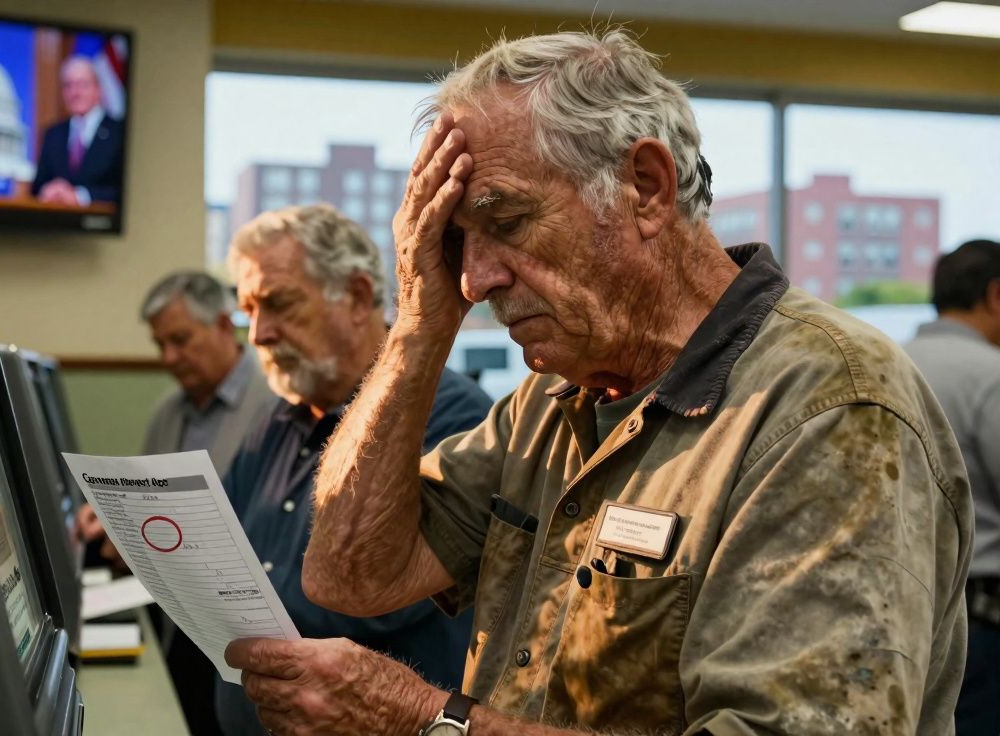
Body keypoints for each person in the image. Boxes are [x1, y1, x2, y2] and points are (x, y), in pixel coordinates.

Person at [225, 31, 974, 736]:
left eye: (506, 221)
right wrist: (419, 320)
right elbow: (348, 576)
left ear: (645, 187)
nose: (476, 281)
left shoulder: (829, 405)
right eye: (458, 244)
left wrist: (429, 721)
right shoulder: (551, 401)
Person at [215, 204, 493, 735]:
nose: (258, 334)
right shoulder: (279, 414)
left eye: (277, 304)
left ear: (359, 297)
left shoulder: (451, 413)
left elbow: (372, 603)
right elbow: (221, 543)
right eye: (248, 309)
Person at [74, 270, 275, 736]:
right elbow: (152, 513)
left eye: (181, 340)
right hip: (179, 628)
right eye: (160, 344)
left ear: (225, 326)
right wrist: (113, 522)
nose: (169, 357)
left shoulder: (275, 405)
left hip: (245, 640)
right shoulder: (167, 412)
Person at [903, 239, 1000, 736]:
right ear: (995, 295)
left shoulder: (888, 362)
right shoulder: (991, 375)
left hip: (901, 609)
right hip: (982, 624)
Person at [32, 55, 124, 207]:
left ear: (98, 89)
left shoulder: (119, 133)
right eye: (68, 85)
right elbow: (36, 188)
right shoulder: (53, 134)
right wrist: (50, 190)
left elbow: (125, 190)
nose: (75, 92)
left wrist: (80, 197)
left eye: (83, 84)